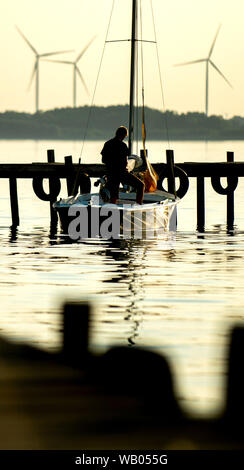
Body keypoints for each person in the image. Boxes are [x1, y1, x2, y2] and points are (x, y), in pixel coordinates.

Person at [101, 126, 145, 204]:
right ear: (124, 135)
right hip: (121, 173)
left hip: (111, 173)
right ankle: (139, 205)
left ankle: (112, 208)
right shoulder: (122, 146)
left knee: (114, 195)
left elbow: (103, 160)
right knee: (141, 185)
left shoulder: (107, 144)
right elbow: (125, 163)